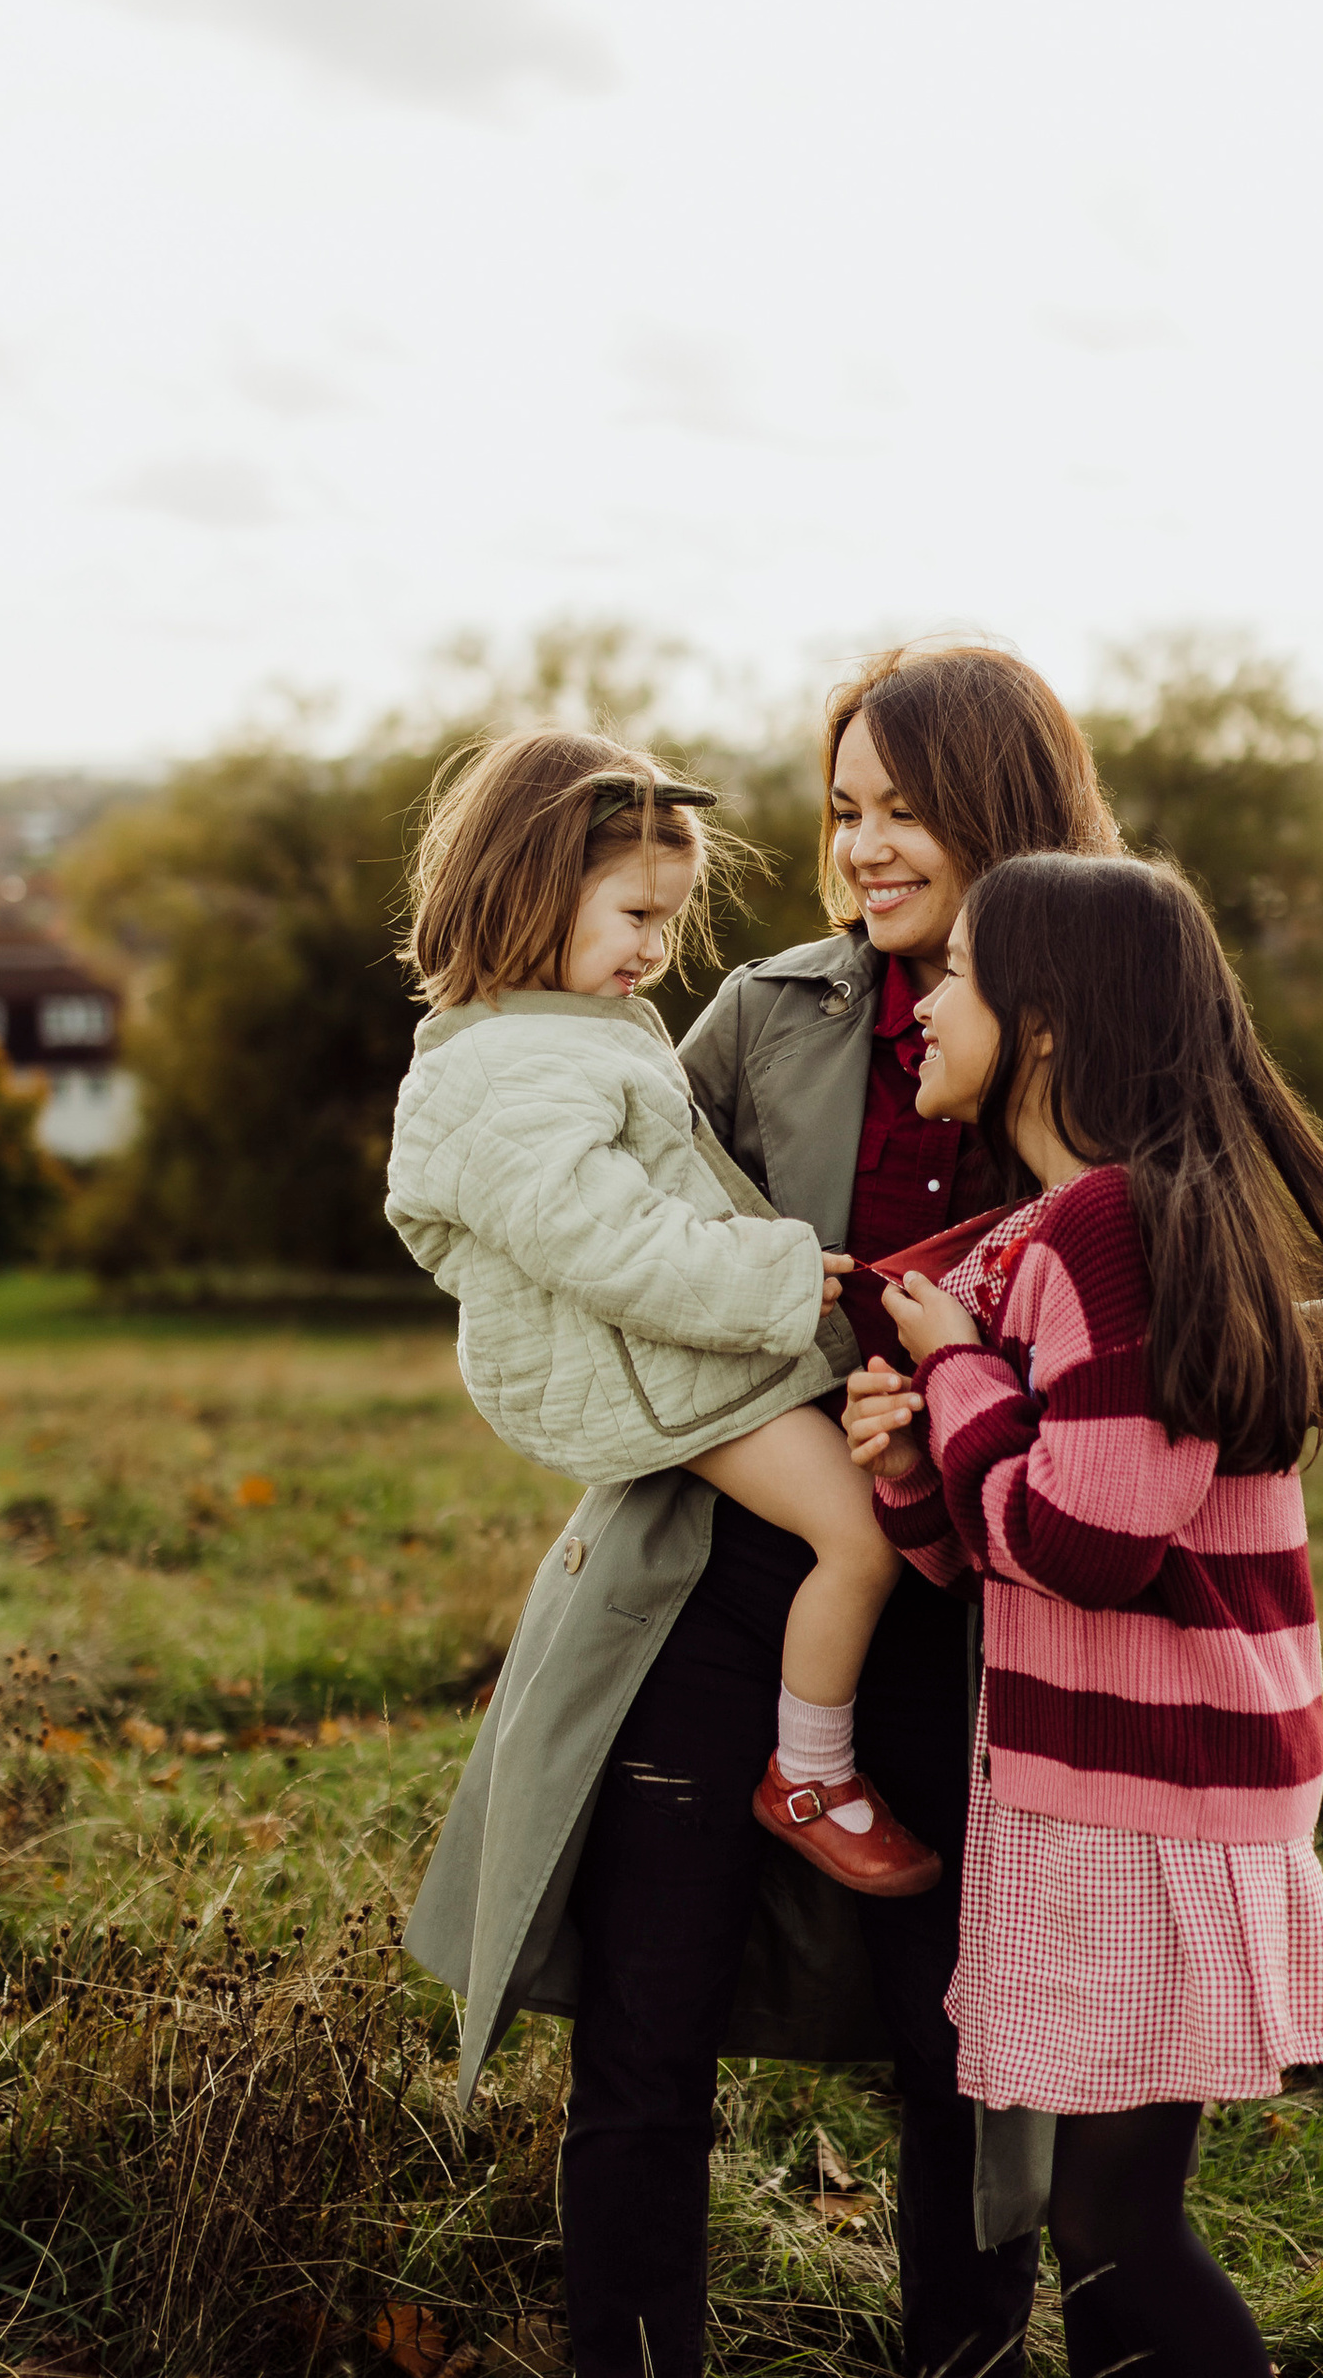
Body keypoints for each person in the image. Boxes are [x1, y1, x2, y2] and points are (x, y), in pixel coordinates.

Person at [398, 643, 1323, 2378]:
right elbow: (590, 1212)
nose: (864, 847)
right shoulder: (763, 1015)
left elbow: (1154, 1309)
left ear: (1005, 809)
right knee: (641, 2033)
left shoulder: (1095, 1006)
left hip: (989, 1603)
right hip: (718, 1576)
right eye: (842, 811)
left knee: (970, 2058)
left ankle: (965, 2362)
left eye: (904, 809)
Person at [844, 851, 1323, 2377]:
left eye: (965, 976)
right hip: (1120, 1785)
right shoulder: (1074, 1230)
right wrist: (912, 1459)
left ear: (1045, 1024)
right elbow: (984, 1548)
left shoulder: (1108, 1231)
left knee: (1117, 2222)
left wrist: (956, 1381)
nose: (926, 1002)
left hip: (1149, 1799)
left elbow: (1089, 1538)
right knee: (1103, 2217)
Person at [386, 726, 942, 1894]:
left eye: (668, 921)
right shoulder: (512, 1068)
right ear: (533, 895)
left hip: (664, 1349)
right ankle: (811, 1773)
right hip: (655, 1366)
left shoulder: (557, 1032)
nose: (657, 948)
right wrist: (781, 1279)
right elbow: (607, 1237)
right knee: (860, 1531)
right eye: (637, 917)